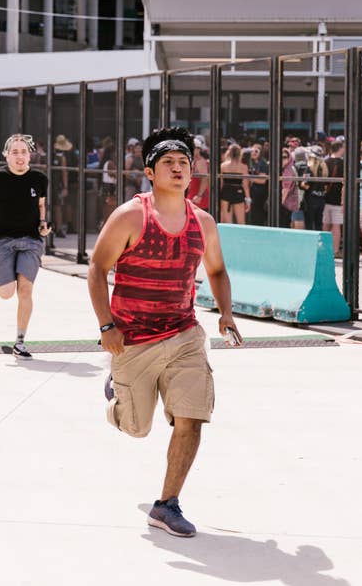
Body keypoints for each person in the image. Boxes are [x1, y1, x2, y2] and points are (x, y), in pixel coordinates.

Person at [88, 127, 241, 539]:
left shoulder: (203, 222)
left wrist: (225, 313)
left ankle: (167, 504)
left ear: (192, 173)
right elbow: (98, 269)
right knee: (136, 428)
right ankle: (117, 392)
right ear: (150, 172)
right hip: (133, 339)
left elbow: (217, 271)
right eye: (168, 164)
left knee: (192, 417)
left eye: (184, 164)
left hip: (184, 334)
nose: (178, 169)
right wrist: (107, 326)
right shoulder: (130, 215)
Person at [0, 134, 51, 358]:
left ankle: (20, 342)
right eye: (14, 152)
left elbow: (41, 204)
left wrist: (43, 224)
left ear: (30, 155)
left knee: (25, 290)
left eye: (24, 152)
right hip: (3, 241)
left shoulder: (39, 178)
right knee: (7, 293)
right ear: (6, 155)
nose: (20, 156)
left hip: (31, 242)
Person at [323, 141, 345, 256]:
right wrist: (343, 201)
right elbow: (344, 185)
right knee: (336, 226)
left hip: (324, 198)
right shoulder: (343, 164)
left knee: (325, 226)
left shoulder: (325, 162)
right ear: (340, 148)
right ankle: (335, 251)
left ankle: (323, 250)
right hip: (337, 200)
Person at [218, 143, 249, 224]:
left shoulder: (223, 166)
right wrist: (248, 199)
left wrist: (218, 197)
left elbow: (220, 184)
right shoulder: (243, 167)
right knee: (241, 223)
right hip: (238, 192)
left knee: (228, 223)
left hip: (226, 192)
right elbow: (245, 185)